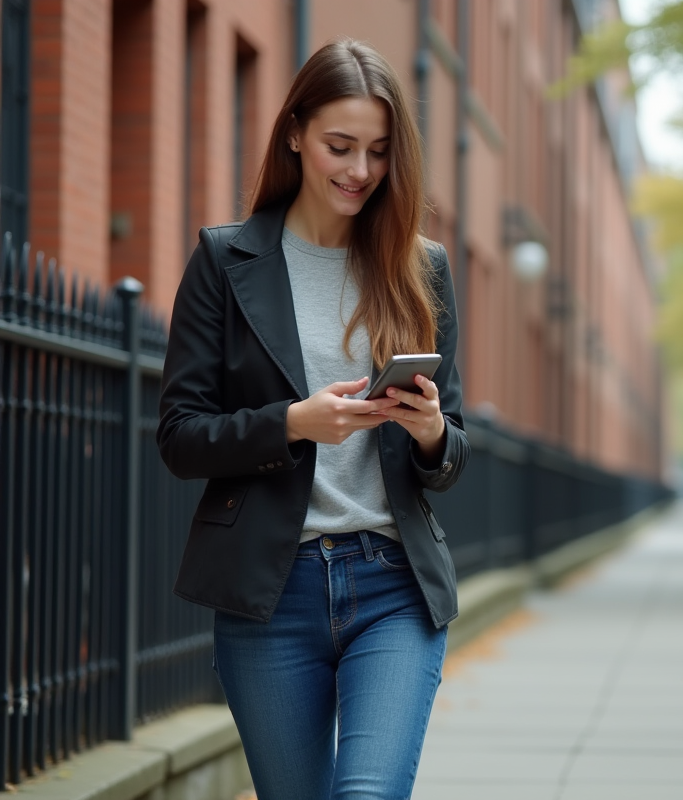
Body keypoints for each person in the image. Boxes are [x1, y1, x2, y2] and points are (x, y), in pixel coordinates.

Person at [156, 38, 468, 800]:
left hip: (394, 582)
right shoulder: (224, 262)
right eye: (340, 146)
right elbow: (179, 436)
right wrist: (292, 423)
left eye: (379, 152)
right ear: (294, 132)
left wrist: (429, 432)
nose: (360, 171)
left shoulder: (419, 268)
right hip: (273, 589)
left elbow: (453, 446)